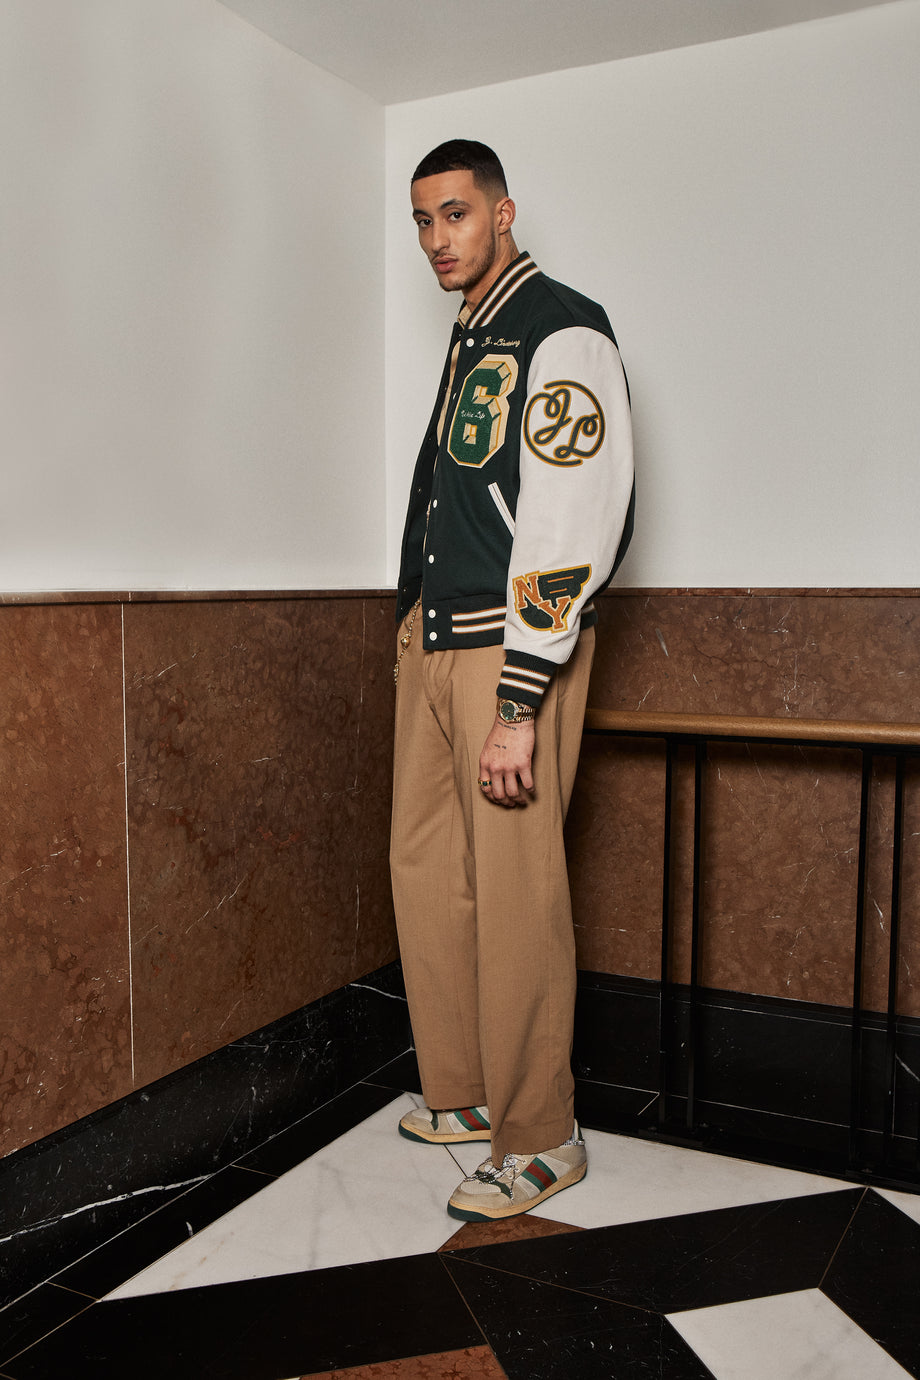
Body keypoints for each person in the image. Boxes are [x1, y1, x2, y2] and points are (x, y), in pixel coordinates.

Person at [390, 139, 634, 1221]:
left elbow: (572, 513)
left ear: (502, 212)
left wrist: (521, 697)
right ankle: (467, 1093)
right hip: (435, 640)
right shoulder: (472, 330)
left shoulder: (559, 326)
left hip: (507, 650)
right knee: (425, 867)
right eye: (422, 220)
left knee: (516, 890)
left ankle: (541, 1136)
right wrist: (409, 619)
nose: (436, 239)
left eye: (455, 214)